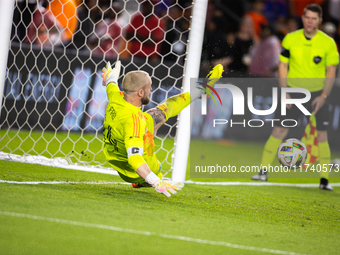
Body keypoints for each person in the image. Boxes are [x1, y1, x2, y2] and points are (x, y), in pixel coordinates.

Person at [101, 61, 223, 197]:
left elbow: (111, 85)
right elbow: (134, 158)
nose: (151, 90)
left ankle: (201, 91)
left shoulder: (115, 97)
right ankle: (143, 180)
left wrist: (111, 77)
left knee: (162, 111)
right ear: (141, 92)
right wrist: (156, 181)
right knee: (160, 114)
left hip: (114, 158)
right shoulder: (135, 121)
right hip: (135, 172)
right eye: (149, 87)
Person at [251, 4, 339, 191]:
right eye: (307, 17)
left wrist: (324, 95)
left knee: (321, 136)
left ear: (320, 21)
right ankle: (263, 171)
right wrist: (285, 92)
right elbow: (283, 66)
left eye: (314, 18)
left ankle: (324, 180)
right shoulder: (291, 39)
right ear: (303, 18)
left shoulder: (328, 43)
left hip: (317, 95)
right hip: (293, 92)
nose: (310, 21)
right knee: (279, 131)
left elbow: (331, 72)